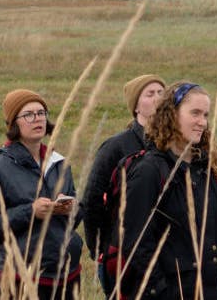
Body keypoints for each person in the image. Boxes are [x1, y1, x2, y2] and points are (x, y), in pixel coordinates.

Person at [117, 82, 217, 300]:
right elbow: (136, 245)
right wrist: (161, 292)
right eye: (195, 113)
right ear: (172, 114)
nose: (202, 122)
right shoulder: (149, 171)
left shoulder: (211, 172)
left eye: (206, 115)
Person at [0, 89, 83, 299]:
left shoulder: (59, 162)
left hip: (66, 274)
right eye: (29, 114)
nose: (38, 119)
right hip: (19, 279)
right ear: (13, 123)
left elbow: (77, 217)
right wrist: (31, 211)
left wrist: (71, 208)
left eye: (41, 113)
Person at [79, 74, 164, 295]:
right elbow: (92, 200)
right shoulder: (116, 147)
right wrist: (99, 249)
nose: (158, 98)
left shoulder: (169, 144)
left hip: (160, 253)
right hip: (120, 255)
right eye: (150, 93)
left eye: (162, 93)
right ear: (136, 106)